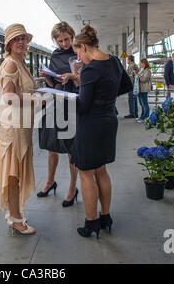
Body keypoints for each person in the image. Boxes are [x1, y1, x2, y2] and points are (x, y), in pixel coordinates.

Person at [70, 25, 121, 238]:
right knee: (101, 170)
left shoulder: (90, 70)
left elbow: (82, 105)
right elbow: (124, 86)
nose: (79, 58)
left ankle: (91, 223)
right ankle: (105, 217)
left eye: (78, 53)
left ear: (83, 46)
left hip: (91, 125)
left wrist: (67, 97)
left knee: (86, 173)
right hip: (110, 120)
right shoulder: (115, 61)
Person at [0, 23, 40, 235]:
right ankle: (16, 219)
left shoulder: (19, 62)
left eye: (23, 38)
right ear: (9, 43)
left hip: (19, 126)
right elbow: (9, 97)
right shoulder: (11, 64)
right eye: (16, 38)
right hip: (12, 128)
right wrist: (35, 100)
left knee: (15, 172)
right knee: (12, 174)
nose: (21, 42)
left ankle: (15, 213)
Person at [37, 21, 80, 207]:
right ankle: (50, 181)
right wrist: (48, 77)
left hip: (73, 103)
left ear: (72, 36)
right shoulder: (54, 55)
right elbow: (53, 85)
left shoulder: (79, 53)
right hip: (56, 103)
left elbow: (86, 80)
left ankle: (72, 187)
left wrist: (72, 77)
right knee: (51, 145)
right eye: (60, 41)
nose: (64, 44)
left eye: (67, 39)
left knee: (71, 147)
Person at [136, 58, 152, 123]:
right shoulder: (142, 70)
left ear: (144, 63)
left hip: (144, 89)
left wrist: (137, 75)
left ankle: (146, 117)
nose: (140, 64)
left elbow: (144, 79)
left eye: (141, 63)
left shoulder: (147, 71)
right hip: (140, 89)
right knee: (142, 104)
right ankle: (142, 116)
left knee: (145, 104)